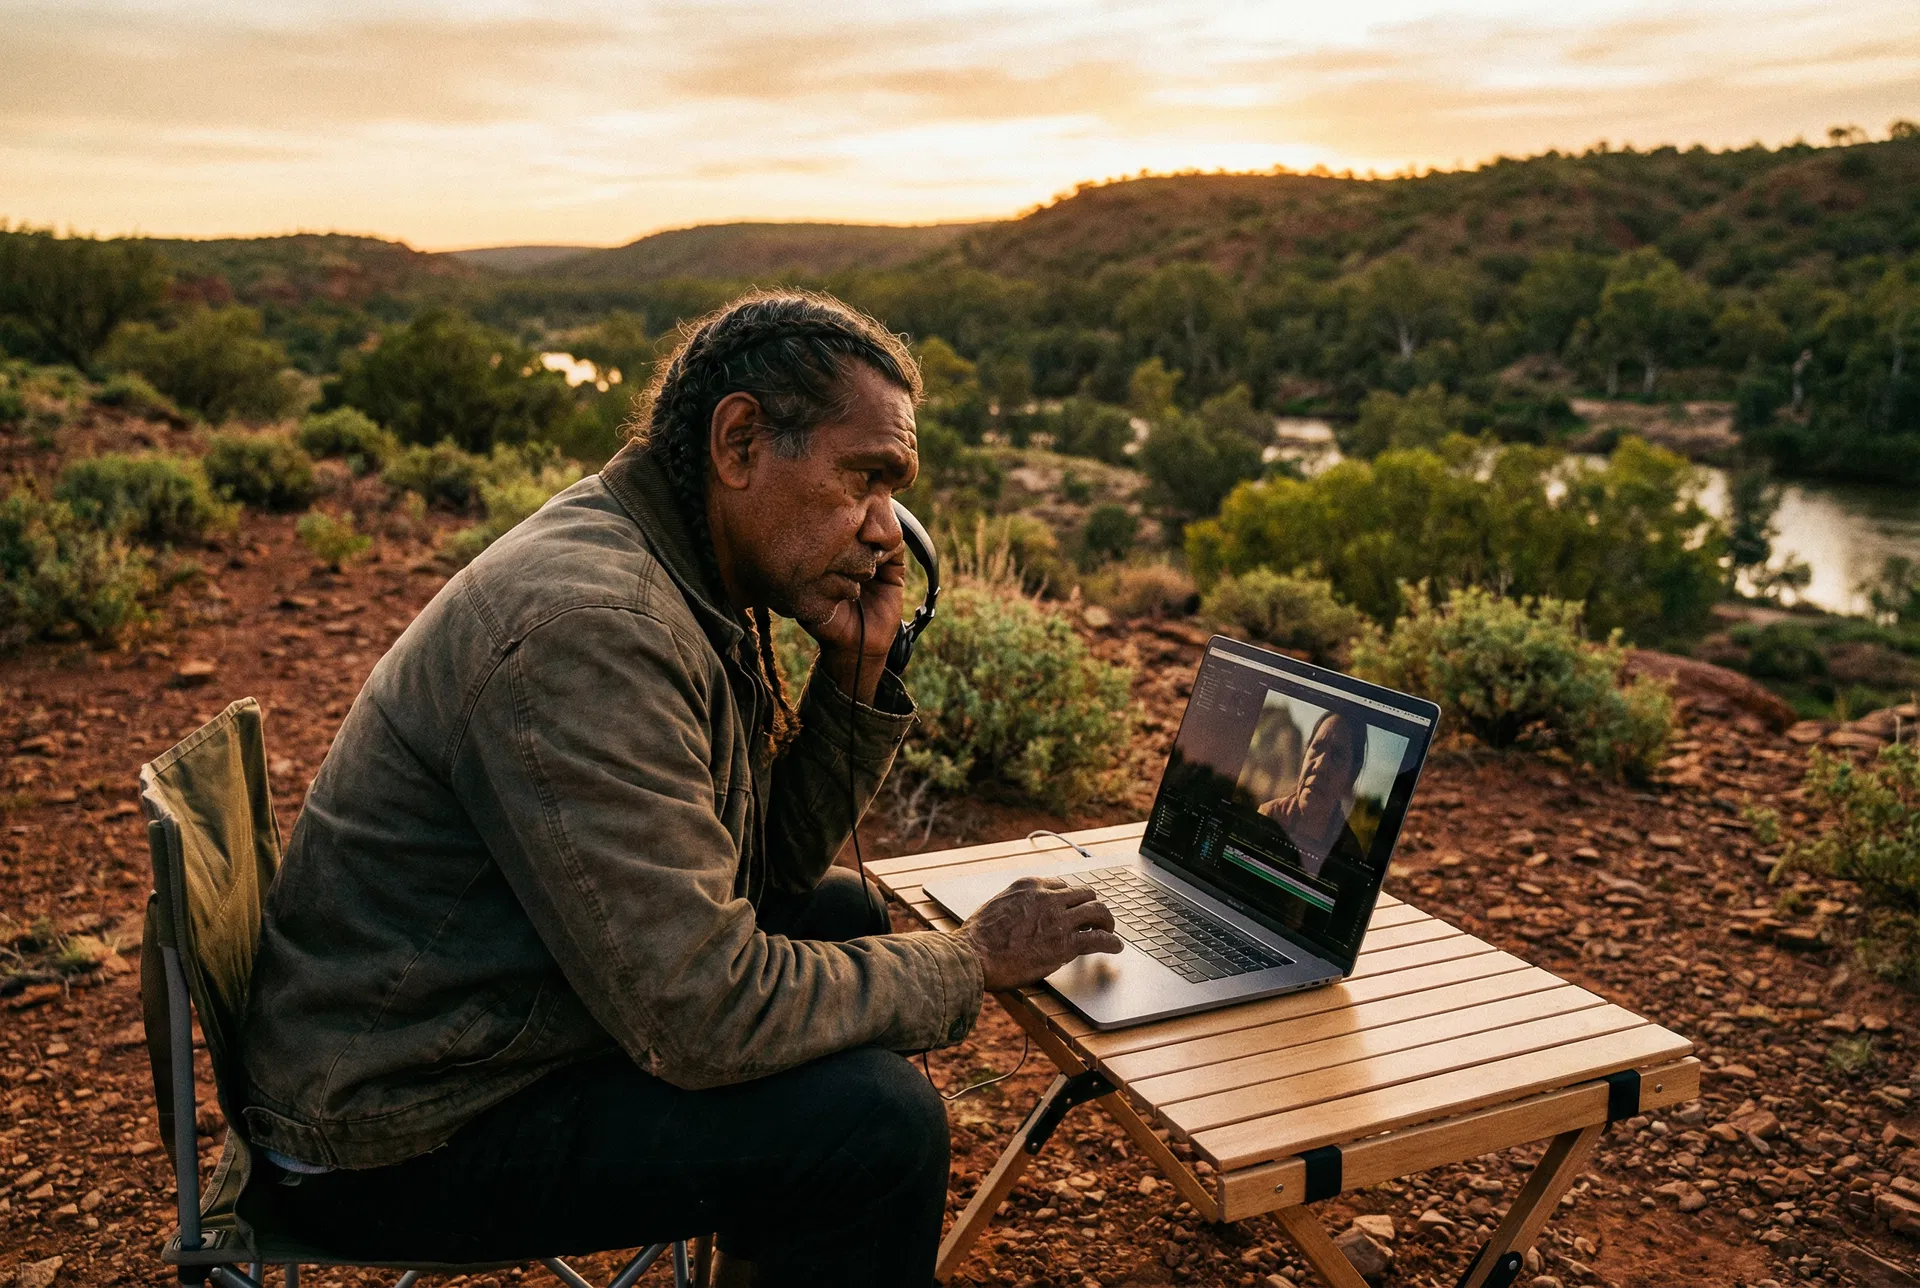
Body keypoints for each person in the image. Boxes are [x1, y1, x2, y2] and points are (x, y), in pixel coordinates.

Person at [238, 291, 1123, 1287]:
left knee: (838, 910)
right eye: (865, 478)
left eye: (896, 492)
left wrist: (853, 675)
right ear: (739, 442)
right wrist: (968, 960)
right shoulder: (594, 627)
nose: (887, 530)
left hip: (480, 1022)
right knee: (877, 1127)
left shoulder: (687, 566)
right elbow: (703, 1014)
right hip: (393, 1123)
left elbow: (766, 872)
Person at [1257, 710, 1367, 874]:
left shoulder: (1351, 855)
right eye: (1317, 747)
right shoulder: (1269, 815)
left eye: (1337, 756)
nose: (1319, 766)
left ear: (1352, 776)